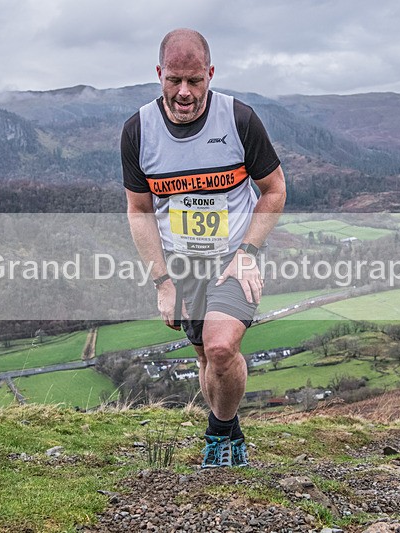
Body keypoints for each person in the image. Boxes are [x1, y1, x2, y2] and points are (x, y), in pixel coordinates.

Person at [121, 28, 286, 468]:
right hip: (181, 264)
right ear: (159, 74)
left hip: (235, 255)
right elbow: (139, 210)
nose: (184, 92)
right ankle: (231, 430)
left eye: (195, 81)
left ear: (210, 74)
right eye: (174, 80)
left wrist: (248, 251)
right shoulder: (138, 131)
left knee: (220, 348)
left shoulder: (239, 119)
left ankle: (216, 436)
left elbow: (274, 190)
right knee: (206, 358)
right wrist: (161, 281)